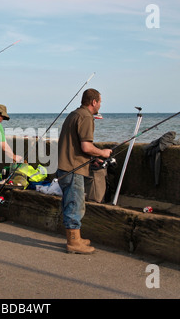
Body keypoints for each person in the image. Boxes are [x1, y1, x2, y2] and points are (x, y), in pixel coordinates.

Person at [57, 89, 112, 254]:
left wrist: (92, 158)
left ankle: (76, 237)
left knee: (71, 203)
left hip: (65, 166)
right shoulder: (86, 117)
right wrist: (103, 152)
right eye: (100, 102)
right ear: (94, 102)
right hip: (73, 169)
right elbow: (86, 146)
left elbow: (75, 146)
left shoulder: (74, 114)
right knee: (75, 205)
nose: (100, 105)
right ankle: (73, 242)